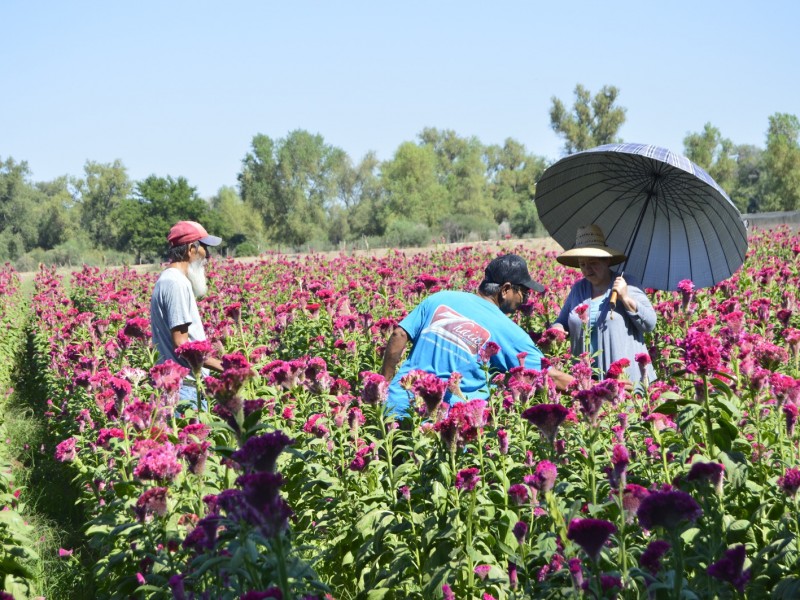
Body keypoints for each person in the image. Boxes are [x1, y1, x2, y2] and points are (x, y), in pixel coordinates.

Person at [380, 254, 574, 417]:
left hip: (396, 404)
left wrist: (385, 384)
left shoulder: (441, 298)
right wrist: (593, 392)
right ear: (506, 290)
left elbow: (398, 334)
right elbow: (552, 377)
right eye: (524, 292)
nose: (524, 299)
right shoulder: (508, 330)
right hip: (443, 420)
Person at [552, 224, 656, 382]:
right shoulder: (579, 289)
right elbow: (562, 321)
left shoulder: (627, 283)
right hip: (587, 381)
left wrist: (626, 298)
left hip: (625, 380)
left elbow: (650, 324)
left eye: (593, 263)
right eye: (582, 264)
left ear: (607, 260)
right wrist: (556, 330)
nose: (587, 269)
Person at [150, 220, 224, 405]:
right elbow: (181, 344)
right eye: (205, 248)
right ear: (191, 249)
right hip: (185, 390)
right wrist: (224, 367)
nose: (208, 255)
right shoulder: (176, 283)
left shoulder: (167, 279)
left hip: (178, 386)